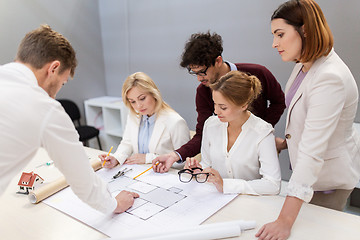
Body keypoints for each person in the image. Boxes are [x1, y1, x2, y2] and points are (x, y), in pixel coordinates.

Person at [0, 25, 139, 214]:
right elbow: (83, 181)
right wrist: (115, 204)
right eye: (62, 83)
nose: (56, 94)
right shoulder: (44, 107)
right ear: (54, 68)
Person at [256, 1, 360, 239]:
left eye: (280, 34)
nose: (274, 43)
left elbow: (313, 151)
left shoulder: (330, 77)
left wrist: (284, 221)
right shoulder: (305, 64)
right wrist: (285, 143)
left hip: (326, 182)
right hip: (309, 176)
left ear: (305, 30)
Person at [153, 31, 286, 173]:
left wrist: (259, 133)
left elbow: (278, 102)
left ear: (218, 61)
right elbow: (202, 133)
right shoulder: (203, 91)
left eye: (202, 72)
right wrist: (175, 155)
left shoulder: (258, 73)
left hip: (255, 154)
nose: (199, 78)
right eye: (194, 73)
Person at [185, 71, 281, 195]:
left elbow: (273, 185)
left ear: (243, 105)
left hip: (249, 203)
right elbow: (207, 164)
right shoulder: (211, 125)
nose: (216, 111)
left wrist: (226, 185)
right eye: (215, 103)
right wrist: (198, 171)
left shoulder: (262, 132)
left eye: (223, 107)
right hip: (215, 199)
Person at [99, 72, 190, 169]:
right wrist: (116, 158)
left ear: (154, 94)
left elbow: (183, 161)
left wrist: (148, 158)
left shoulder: (175, 122)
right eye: (133, 101)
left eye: (142, 98)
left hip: (164, 177)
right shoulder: (134, 115)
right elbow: (127, 143)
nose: (138, 106)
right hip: (139, 173)